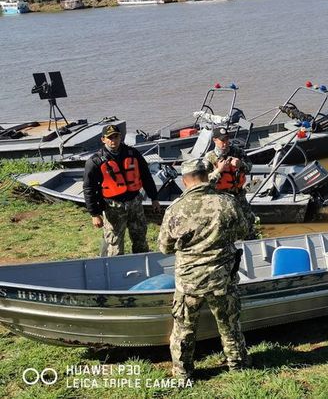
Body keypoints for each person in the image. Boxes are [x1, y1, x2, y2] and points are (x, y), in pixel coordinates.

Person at [158, 158, 250, 380]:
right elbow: (244, 231)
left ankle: (183, 373)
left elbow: (164, 247)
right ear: (207, 175)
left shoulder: (176, 209)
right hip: (222, 279)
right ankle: (237, 365)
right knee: (229, 325)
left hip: (189, 283)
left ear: (184, 180)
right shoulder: (226, 202)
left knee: (184, 330)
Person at [83, 124, 160, 256]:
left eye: (116, 136)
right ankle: (115, 269)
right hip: (113, 206)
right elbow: (89, 188)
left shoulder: (133, 154)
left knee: (140, 236)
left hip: (134, 203)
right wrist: (94, 214)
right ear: (103, 139)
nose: (113, 140)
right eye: (110, 137)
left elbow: (146, 177)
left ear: (121, 137)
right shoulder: (95, 161)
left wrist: (154, 198)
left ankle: (142, 264)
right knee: (114, 242)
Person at [204, 126, 256, 237]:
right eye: (222, 140)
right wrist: (219, 170)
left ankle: (251, 242)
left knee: (248, 222)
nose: (225, 143)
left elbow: (249, 167)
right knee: (224, 225)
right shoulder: (209, 157)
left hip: (239, 195)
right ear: (215, 140)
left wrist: (241, 164)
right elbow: (205, 181)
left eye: (227, 139)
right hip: (221, 197)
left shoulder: (238, 152)